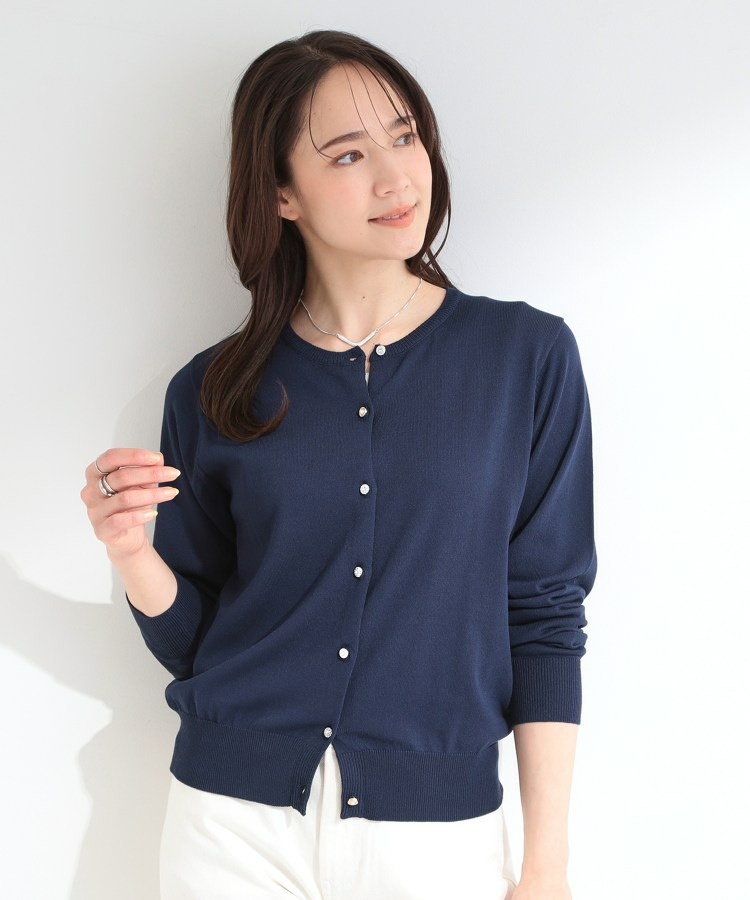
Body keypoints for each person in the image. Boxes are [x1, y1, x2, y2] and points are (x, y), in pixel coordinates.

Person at [80, 29, 596, 900]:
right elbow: (195, 645)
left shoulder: (525, 357)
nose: (397, 178)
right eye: (349, 155)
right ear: (282, 193)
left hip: (434, 838)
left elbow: (544, 613)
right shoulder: (214, 388)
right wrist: (131, 552)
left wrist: (545, 867)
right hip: (229, 829)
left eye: (405, 136)